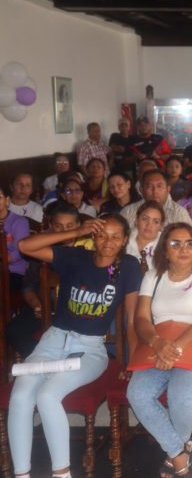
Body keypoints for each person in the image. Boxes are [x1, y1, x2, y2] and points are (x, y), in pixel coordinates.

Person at [12, 214, 141, 478]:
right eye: (103, 234)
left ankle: (62, 474)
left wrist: (132, 361)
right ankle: (21, 474)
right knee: (20, 396)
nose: (109, 241)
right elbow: (25, 246)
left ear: (125, 240)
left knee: (47, 396)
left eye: (117, 236)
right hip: (52, 341)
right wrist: (76, 231)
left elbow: (131, 319)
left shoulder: (129, 266)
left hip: (90, 349)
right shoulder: (76, 257)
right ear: (93, 235)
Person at [126, 222, 192, 478]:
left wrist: (174, 349)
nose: (184, 248)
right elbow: (142, 320)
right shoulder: (153, 276)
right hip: (159, 346)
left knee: (180, 397)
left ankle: (176, 454)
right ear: (164, 250)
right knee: (137, 394)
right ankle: (181, 452)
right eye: (175, 243)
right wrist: (159, 344)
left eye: (190, 243)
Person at [9, 201, 90, 358]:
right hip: (46, 308)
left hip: (78, 310)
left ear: (79, 226)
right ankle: (45, 363)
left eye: (70, 226)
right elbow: (28, 287)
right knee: (15, 331)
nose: (65, 231)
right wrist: (36, 305)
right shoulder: (40, 248)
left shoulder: (87, 247)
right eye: (59, 226)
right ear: (51, 226)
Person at [121, 170, 192, 229]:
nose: (155, 191)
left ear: (168, 189)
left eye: (159, 186)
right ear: (141, 190)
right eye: (149, 186)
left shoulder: (180, 214)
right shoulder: (128, 212)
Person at [0, 184, 30, 291]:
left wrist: (3, 259)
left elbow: (20, 252)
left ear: (7, 200)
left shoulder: (19, 222)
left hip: (14, 272)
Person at [125, 200, 165, 271]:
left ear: (161, 226)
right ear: (136, 220)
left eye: (156, 222)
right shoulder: (124, 240)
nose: (149, 225)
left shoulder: (165, 244)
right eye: (145, 219)